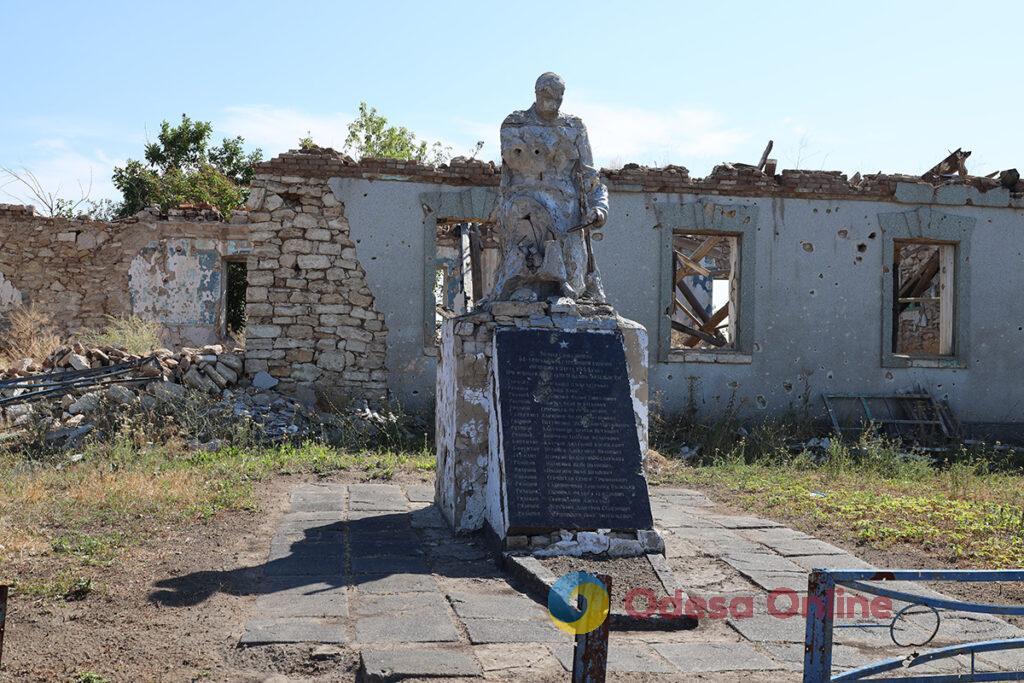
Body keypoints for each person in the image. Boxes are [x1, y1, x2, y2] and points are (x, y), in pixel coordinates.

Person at [489, 72, 610, 303]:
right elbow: (510, 173)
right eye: (547, 95)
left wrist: (599, 207)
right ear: (536, 93)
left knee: (573, 285)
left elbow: (590, 176)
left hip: (567, 212)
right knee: (525, 257)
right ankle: (524, 287)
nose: (553, 102)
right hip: (525, 208)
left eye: (558, 96)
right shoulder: (515, 124)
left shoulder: (574, 127)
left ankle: (564, 289)